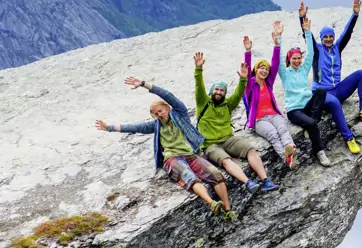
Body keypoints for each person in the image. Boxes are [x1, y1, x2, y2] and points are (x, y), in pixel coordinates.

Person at [95, 78, 236, 220]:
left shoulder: (180, 113)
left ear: (167, 108)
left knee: (215, 174)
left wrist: (144, 84)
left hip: (190, 154)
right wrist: (110, 128)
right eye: (156, 114)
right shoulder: (155, 125)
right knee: (189, 176)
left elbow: (168, 95)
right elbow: (134, 127)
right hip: (172, 159)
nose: (159, 115)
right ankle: (211, 203)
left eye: (161, 111)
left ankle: (228, 211)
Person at [299, 0, 362, 155]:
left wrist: (355, 14)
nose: (329, 39)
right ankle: (349, 138)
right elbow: (307, 36)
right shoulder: (316, 50)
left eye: (331, 36)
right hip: (322, 94)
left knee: (361, 74)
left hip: (337, 89)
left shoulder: (337, 47)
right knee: (335, 103)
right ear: (321, 38)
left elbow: (347, 33)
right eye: (326, 37)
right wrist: (302, 18)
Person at [194, 52, 279, 194]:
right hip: (210, 144)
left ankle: (266, 180)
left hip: (228, 139)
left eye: (222, 90)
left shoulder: (228, 104)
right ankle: (248, 183)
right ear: (211, 91)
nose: (219, 92)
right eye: (216, 89)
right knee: (226, 160)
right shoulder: (203, 102)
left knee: (250, 150)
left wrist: (243, 79)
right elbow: (199, 85)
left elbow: (240, 93)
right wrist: (198, 69)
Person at [279, 15, 332, 167]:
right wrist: (279, 39)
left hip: (307, 107)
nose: (297, 61)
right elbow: (277, 61)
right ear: (289, 59)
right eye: (293, 58)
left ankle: (313, 121)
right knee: (312, 125)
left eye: (298, 58)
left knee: (320, 91)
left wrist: (307, 32)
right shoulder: (285, 73)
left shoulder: (303, 69)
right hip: (294, 110)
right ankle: (319, 152)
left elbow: (311, 53)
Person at [242, 28, 298, 170]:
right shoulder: (250, 84)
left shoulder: (269, 82)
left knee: (283, 129)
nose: (265, 71)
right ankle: (286, 158)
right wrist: (248, 52)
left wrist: (277, 45)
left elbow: (275, 63)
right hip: (259, 120)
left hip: (273, 114)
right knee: (273, 135)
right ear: (256, 69)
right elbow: (247, 70)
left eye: (266, 69)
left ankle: (290, 151)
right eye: (261, 68)